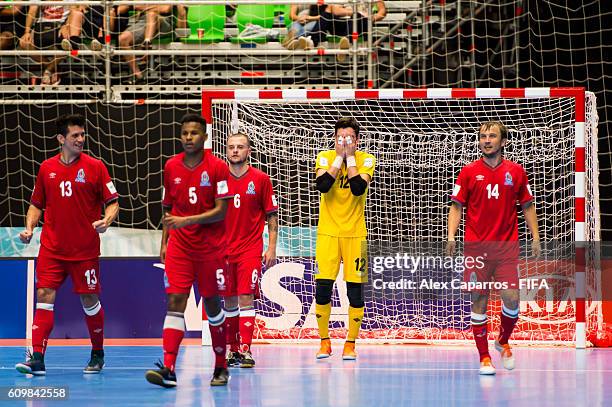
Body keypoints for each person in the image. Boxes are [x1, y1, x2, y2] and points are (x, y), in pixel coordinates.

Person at [16, 114, 120, 376]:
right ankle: (37, 358)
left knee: (89, 299)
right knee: (44, 296)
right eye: (75, 135)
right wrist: (29, 227)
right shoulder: (46, 168)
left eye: (82, 135)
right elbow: (36, 205)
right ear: (61, 139)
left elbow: (113, 202)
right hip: (52, 248)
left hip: (84, 250)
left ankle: (98, 353)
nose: (81, 139)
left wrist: (107, 220)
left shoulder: (96, 167)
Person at [447, 120, 541, 375]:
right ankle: (484, 357)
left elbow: (528, 206)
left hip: (507, 248)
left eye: (491, 136)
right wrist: (451, 236)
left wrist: (535, 237)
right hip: (476, 249)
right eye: (482, 136)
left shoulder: (517, 172)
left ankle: (502, 340)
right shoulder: (468, 172)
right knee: (479, 301)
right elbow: (456, 207)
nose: (486, 140)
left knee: (511, 299)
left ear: (503, 141)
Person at [145, 113, 232, 388]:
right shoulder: (171, 166)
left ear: (204, 137)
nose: (188, 137)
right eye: (184, 133)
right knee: (174, 303)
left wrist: (188, 220)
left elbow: (221, 211)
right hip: (180, 248)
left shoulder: (218, 167)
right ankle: (168, 367)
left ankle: (220, 366)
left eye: (194, 133)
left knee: (213, 304)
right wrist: (164, 242)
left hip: (210, 249)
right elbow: (168, 209)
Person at [314, 117, 375, 360]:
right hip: (328, 233)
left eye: (349, 138)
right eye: (340, 138)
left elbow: (359, 187)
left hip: (355, 234)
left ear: (357, 140)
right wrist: (339, 157)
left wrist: (349, 157)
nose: (344, 141)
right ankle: (324, 341)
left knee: (355, 293)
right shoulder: (325, 157)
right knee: (323, 289)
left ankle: (350, 344)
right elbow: (323, 185)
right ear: (334, 138)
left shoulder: (366, 159)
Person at [222, 132, 278, 368]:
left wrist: (272, 247)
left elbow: (272, 215)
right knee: (228, 301)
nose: (235, 150)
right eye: (231, 147)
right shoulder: (216, 178)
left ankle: (245, 350)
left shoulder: (261, 179)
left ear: (249, 152)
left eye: (240, 147)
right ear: (226, 151)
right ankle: (231, 350)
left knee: (245, 297)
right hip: (221, 251)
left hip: (249, 250)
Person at [19, 1, 73, 85]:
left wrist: (66, 25)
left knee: (68, 42)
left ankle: (47, 71)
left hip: (61, 25)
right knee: (23, 43)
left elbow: (74, 11)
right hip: (41, 27)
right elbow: (32, 10)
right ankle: (53, 68)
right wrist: (27, 32)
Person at [311, 1, 386, 61]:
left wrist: (372, 17)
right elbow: (334, 10)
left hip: (361, 24)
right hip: (342, 24)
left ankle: (345, 47)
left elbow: (382, 11)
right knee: (325, 15)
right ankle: (313, 43)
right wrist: (357, 12)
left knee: (356, 16)